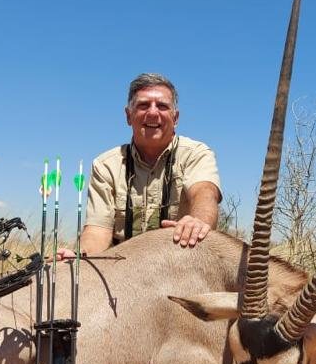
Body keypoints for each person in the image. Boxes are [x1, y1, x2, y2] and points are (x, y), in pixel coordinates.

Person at [58, 73, 221, 259]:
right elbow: (97, 232)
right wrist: (79, 255)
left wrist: (197, 221)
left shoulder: (196, 153)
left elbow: (205, 193)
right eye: (143, 105)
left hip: (178, 263)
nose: (152, 112)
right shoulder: (105, 165)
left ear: (175, 118)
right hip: (122, 268)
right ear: (129, 115)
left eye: (162, 106)